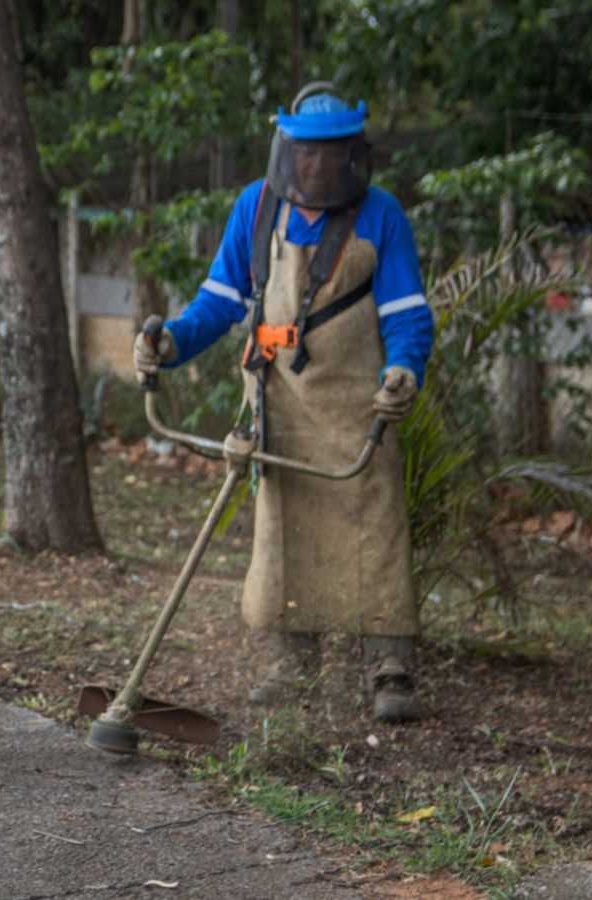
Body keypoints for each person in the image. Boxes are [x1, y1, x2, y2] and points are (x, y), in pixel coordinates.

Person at [133, 84, 433, 723]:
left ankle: (388, 668)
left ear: (353, 154)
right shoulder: (256, 208)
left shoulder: (381, 215)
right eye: (307, 154)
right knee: (282, 530)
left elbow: (407, 314)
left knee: (376, 527)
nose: (318, 167)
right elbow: (218, 303)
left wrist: (403, 371)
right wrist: (169, 344)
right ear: (286, 152)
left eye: (331, 154)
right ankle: (290, 665)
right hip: (279, 404)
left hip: (359, 406)